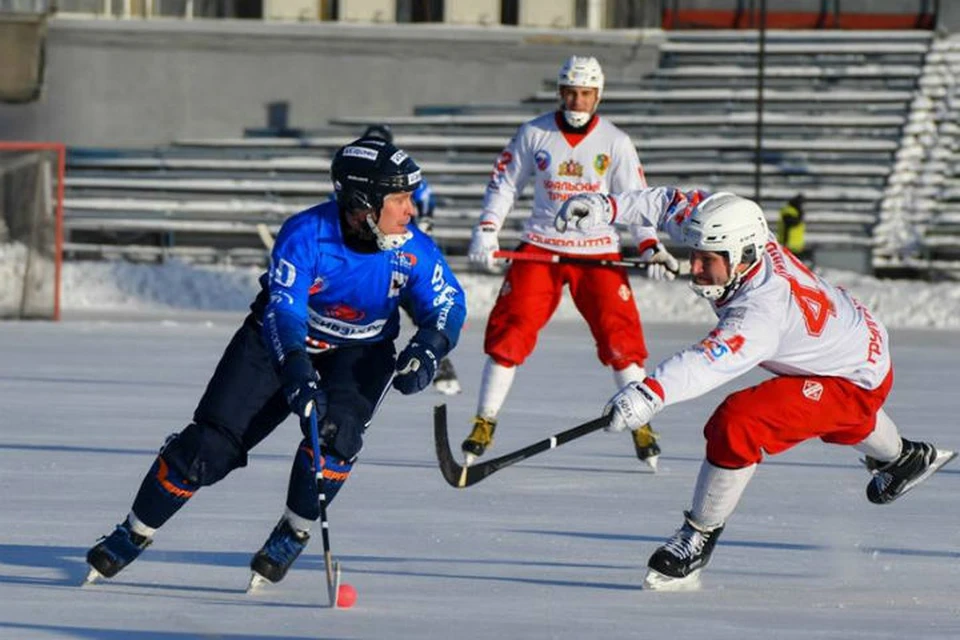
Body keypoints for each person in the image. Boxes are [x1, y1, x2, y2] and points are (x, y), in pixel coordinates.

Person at [84, 137, 467, 588]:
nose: (410, 210)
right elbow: (284, 310)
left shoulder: (413, 249)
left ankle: (294, 529)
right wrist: (296, 368)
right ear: (363, 202)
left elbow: (447, 305)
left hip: (361, 351)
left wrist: (428, 348)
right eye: (400, 198)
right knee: (209, 449)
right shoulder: (307, 235)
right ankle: (135, 531)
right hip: (277, 339)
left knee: (336, 436)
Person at [554, 188, 956, 591]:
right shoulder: (733, 237)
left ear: (745, 257)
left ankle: (698, 535)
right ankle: (904, 459)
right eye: (692, 254)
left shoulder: (759, 314)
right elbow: (670, 204)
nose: (693, 268)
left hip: (853, 378)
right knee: (822, 414)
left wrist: (647, 394)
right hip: (852, 348)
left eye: (706, 261)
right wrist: (608, 207)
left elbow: (707, 363)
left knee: (740, 422)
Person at [463, 55, 679, 471]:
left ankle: (641, 423)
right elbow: (504, 184)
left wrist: (650, 245)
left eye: (585, 94)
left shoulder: (615, 141)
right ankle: (484, 421)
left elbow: (635, 199)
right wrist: (488, 229)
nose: (577, 102)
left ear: (598, 96)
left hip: (597, 251)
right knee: (511, 332)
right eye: (571, 93)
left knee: (621, 338)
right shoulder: (534, 133)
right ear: (560, 92)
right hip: (540, 248)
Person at [361, 123, 461, 395]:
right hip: (371, 258)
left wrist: (423, 228)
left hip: (403, 253)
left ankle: (434, 360)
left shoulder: (405, 175)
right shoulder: (357, 178)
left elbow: (425, 204)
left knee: (427, 312)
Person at [777, 193, 809, 263]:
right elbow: (793, 223)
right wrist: (800, 214)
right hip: (788, 245)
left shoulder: (796, 211)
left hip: (797, 246)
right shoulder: (788, 210)